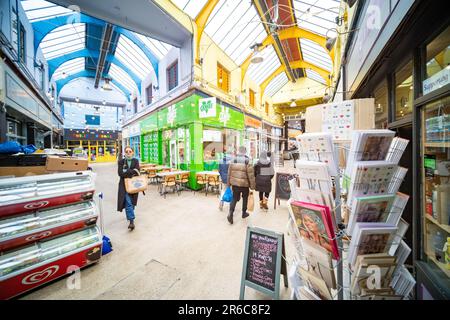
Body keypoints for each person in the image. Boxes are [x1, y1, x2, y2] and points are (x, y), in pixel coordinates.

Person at [226, 146, 256, 224]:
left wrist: (228, 184)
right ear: (245, 151)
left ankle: (230, 213)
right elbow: (251, 175)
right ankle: (243, 213)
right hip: (244, 184)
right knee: (245, 198)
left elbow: (229, 173)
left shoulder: (233, 160)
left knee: (234, 198)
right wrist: (252, 186)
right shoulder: (247, 160)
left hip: (235, 184)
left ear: (239, 151)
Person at [117, 146, 140, 231]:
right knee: (128, 202)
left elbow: (137, 171)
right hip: (124, 186)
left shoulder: (136, 161)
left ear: (133, 152)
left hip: (134, 185)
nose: (128, 153)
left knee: (132, 203)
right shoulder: (121, 162)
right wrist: (131, 171)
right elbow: (120, 174)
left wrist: (126, 171)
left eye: (130, 151)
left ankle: (130, 215)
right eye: (126, 151)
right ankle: (131, 222)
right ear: (124, 153)